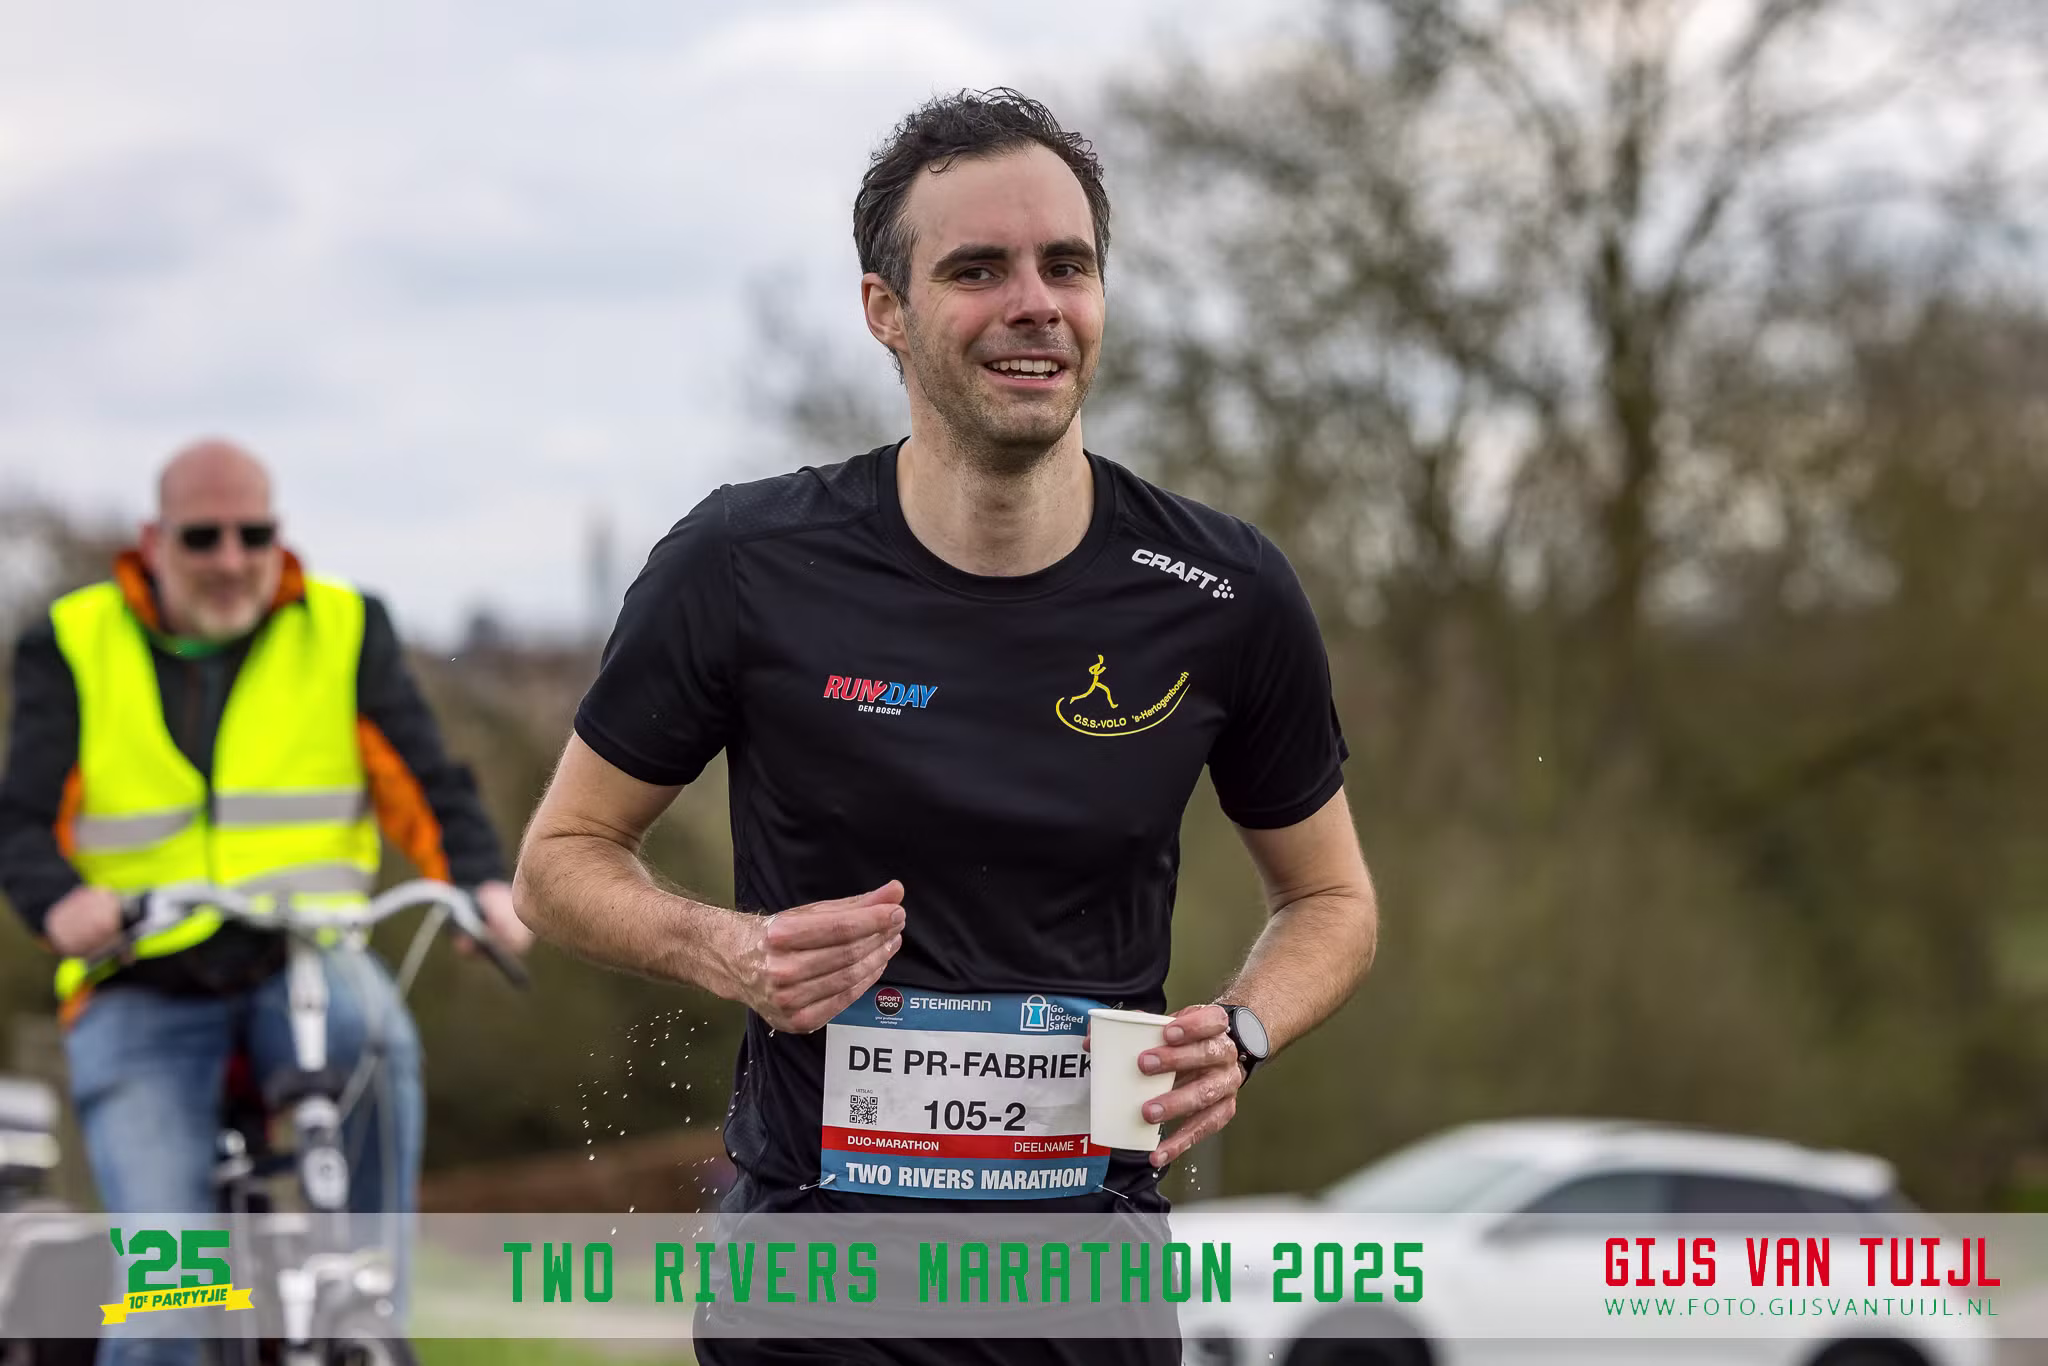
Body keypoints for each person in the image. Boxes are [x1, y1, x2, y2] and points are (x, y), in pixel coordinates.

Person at [514, 88, 1378, 1364]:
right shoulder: (744, 562)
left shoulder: (1221, 590)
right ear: (886, 310)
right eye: (978, 270)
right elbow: (558, 861)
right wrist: (727, 948)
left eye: (1066, 266)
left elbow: (1331, 899)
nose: (1035, 303)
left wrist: (1242, 1031)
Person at [0, 439, 533, 1364]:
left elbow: (427, 783)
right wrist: (59, 905)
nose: (231, 559)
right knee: (169, 1309)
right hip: (138, 980)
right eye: (202, 537)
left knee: (378, 1039)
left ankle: (369, 1312)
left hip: (306, 961)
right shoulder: (73, 641)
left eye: (254, 535)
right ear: (153, 541)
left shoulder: (344, 628)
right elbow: (22, 822)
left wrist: (481, 882)